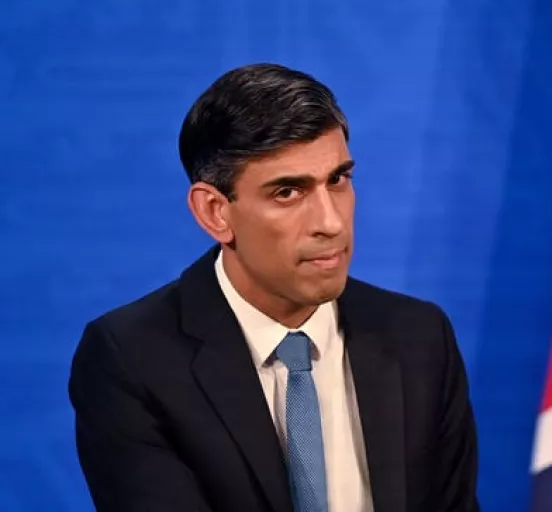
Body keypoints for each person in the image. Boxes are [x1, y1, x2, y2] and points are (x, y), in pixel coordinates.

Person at [68, 63, 480, 512]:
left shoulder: (419, 338)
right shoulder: (132, 360)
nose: (331, 222)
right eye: (288, 192)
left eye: (337, 180)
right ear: (214, 213)